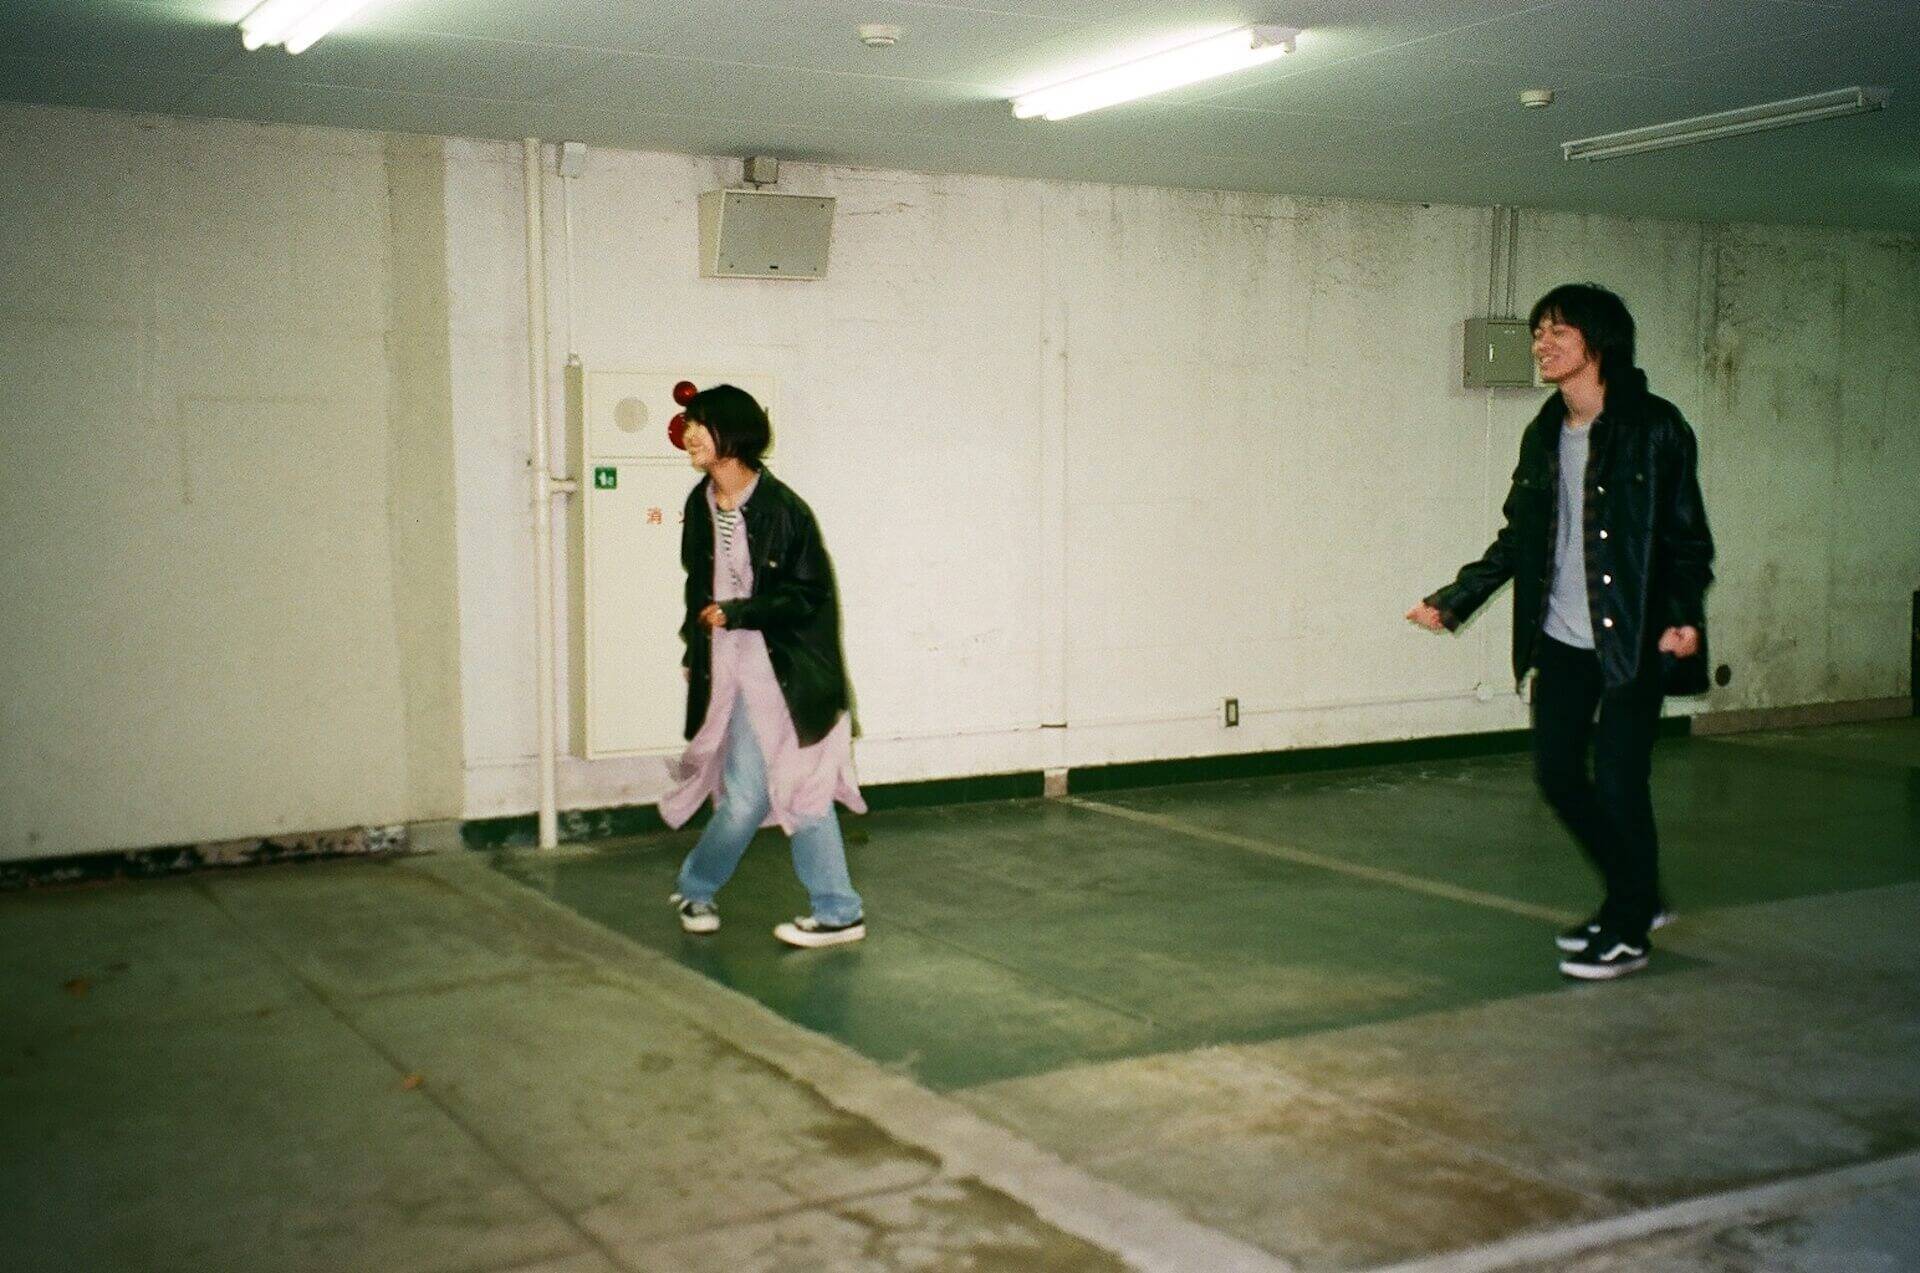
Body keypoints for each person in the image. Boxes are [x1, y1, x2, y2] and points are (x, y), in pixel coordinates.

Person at [1407, 283, 1714, 981]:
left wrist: (1681, 615)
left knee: (1620, 781)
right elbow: (1520, 537)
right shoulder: (1544, 431)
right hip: (1561, 636)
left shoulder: (1656, 427)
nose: (1541, 344)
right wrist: (1455, 600)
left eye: (1558, 332)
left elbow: (1686, 536)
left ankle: (1628, 930)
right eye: (1539, 331)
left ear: (1598, 342)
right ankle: (1638, 893)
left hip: (1633, 637)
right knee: (1558, 775)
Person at [659, 385, 867, 948]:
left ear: (733, 433)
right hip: (730, 670)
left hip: (789, 675)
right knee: (747, 799)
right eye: (688, 424)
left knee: (803, 790)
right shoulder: (701, 503)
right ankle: (697, 889)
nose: (689, 435)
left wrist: (739, 613)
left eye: (700, 424)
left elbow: (808, 595)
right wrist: (694, 650)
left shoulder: (784, 510)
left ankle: (838, 911)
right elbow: (697, 586)